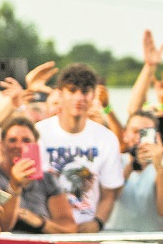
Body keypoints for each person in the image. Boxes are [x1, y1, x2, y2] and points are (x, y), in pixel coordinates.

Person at [35, 64, 124, 232]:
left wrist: (97, 223)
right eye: (72, 90)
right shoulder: (38, 133)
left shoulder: (107, 138)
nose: (79, 97)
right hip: (46, 228)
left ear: (93, 96)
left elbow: (109, 194)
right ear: (60, 94)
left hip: (86, 231)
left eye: (85, 91)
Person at [0, 116, 76, 234]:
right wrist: (14, 184)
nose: (19, 146)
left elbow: (69, 228)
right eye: (12, 140)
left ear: (35, 144)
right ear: (3, 145)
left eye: (26, 140)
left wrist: (39, 222)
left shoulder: (47, 179)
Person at [103, 111, 163, 232]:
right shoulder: (115, 160)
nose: (139, 138)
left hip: (147, 243)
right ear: (125, 134)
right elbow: (109, 198)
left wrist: (159, 166)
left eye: (145, 133)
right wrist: (132, 166)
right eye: (135, 131)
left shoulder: (162, 166)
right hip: (114, 239)